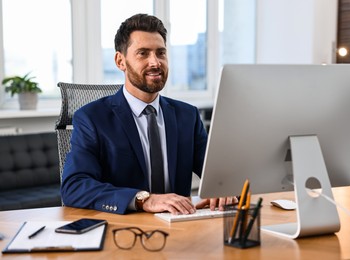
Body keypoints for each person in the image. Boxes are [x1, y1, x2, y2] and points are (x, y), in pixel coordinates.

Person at [61, 13, 236, 215]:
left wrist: (224, 189)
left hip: (180, 228)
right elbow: (74, 187)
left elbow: (217, 174)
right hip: (125, 231)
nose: (155, 62)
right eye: (143, 53)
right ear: (120, 61)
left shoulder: (188, 116)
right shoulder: (92, 118)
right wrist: (144, 199)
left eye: (161, 53)